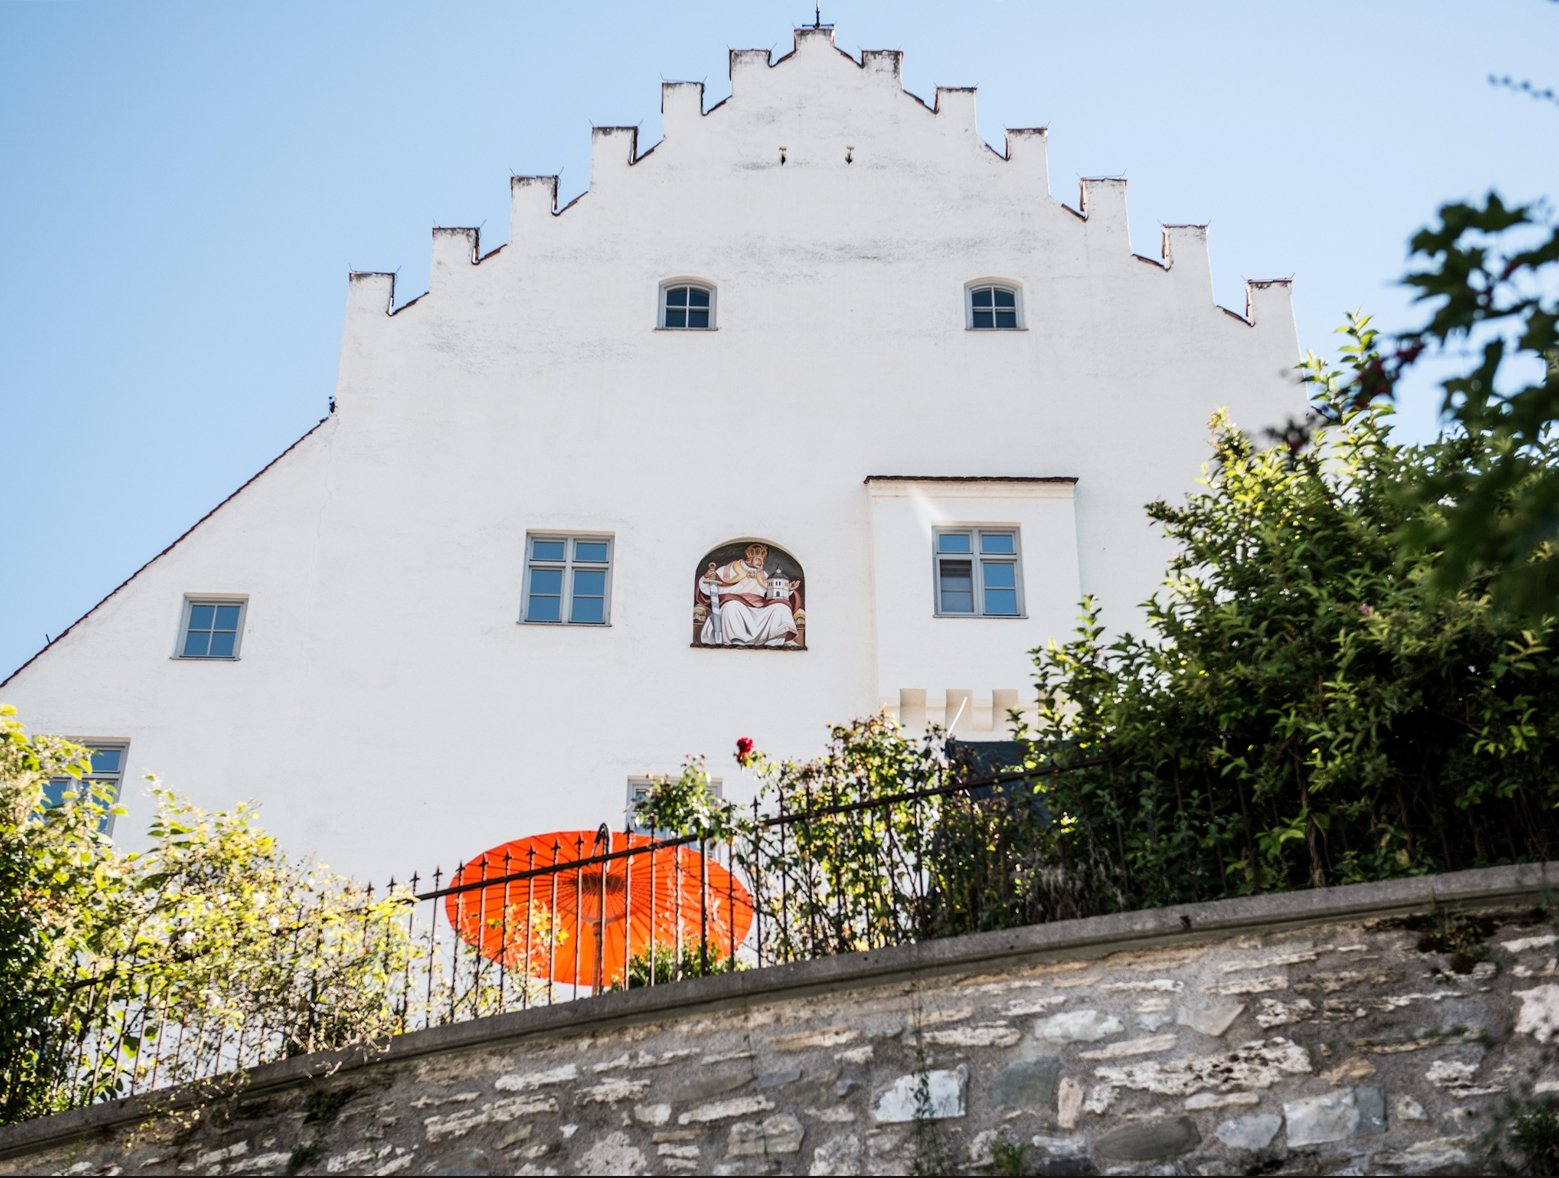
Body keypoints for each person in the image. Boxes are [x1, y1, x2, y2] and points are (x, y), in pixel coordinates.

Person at [696, 543, 803, 647]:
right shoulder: (729, 569)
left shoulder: (763, 575)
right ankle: (736, 642)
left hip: (760, 608)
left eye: (762, 560)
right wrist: (706, 576)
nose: (761, 563)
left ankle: (774, 642)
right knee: (731, 607)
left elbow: (773, 592)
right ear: (750, 558)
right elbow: (709, 586)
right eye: (758, 559)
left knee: (781, 607)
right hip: (737, 605)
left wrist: (787, 589)